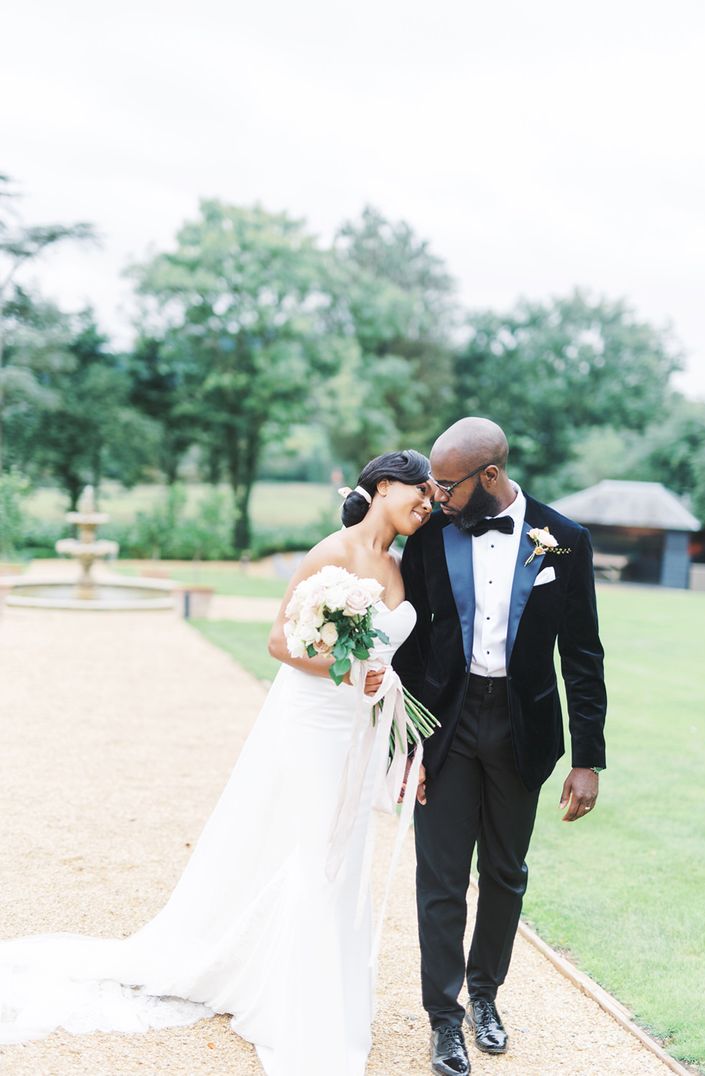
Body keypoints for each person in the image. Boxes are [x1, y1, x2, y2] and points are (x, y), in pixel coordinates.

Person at [0, 450, 434, 1076]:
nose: (426, 502)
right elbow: (280, 641)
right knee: (317, 852)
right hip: (315, 724)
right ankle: (301, 1007)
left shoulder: (397, 566)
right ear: (384, 486)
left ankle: (329, 988)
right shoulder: (330, 555)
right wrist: (349, 671)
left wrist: (373, 685)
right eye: (419, 490)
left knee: (345, 850)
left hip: (358, 732)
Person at [393, 418, 607, 1076]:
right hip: (447, 726)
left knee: (506, 874)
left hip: (523, 730)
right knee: (441, 877)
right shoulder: (429, 537)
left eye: (447, 485)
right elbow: (409, 644)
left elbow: (582, 655)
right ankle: (444, 1017)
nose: (436, 497)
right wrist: (407, 743)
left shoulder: (563, 540)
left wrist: (588, 758)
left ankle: (485, 996)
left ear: (489, 476)